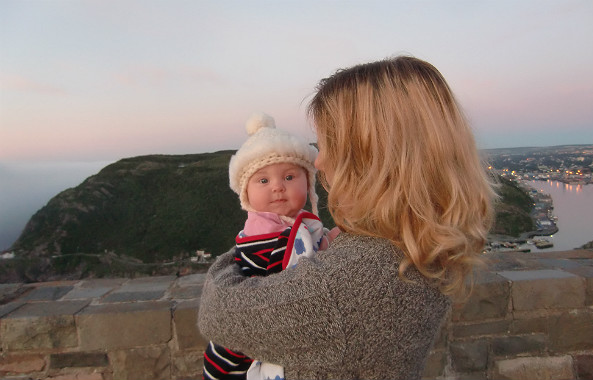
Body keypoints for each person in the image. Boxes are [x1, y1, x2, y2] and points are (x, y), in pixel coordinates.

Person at [198, 56, 496, 379]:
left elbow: (216, 311)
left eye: (328, 144)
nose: (320, 161)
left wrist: (257, 237)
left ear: (374, 155)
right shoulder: (426, 245)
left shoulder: (345, 287)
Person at [203, 112, 336, 380]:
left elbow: (311, 247)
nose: (278, 187)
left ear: (308, 183)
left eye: (289, 177)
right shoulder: (261, 236)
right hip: (236, 359)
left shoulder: (294, 224)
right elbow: (292, 281)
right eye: (263, 180)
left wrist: (330, 241)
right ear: (246, 194)